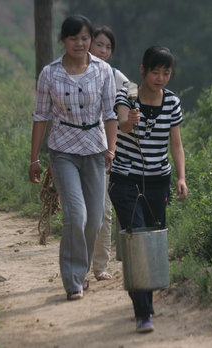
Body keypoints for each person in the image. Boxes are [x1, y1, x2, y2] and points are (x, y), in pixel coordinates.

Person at [28, 15, 117, 301]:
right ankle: (74, 279)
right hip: (63, 149)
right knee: (76, 216)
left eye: (85, 38)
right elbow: (41, 117)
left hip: (95, 149)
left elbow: (110, 114)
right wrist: (34, 159)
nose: (80, 43)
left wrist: (112, 149)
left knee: (94, 221)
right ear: (63, 40)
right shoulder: (49, 73)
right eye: (74, 38)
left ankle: (82, 269)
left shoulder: (103, 71)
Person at [108, 46, 188, 333]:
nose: (161, 78)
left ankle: (145, 299)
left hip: (158, 180)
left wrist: (181, 177)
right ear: (143, 70)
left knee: (152, 242)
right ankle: (142, 311)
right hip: (125, 179)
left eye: (166, 73)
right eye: (156, 72)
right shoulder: (127, 96)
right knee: (137, 238)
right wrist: (129, 121)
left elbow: (175, 143)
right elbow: (120, 127)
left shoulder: (172, 102)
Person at [89, 25, 129, 281]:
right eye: (99, 44)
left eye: (107, 46)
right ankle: (81, 263)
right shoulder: (76, 73)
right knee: (82, 210)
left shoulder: (118, 78)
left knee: (103, 209)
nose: (103, 51)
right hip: (79, 149)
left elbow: (132, 99)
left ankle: (100, 265)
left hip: (109, 152)